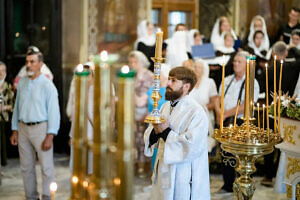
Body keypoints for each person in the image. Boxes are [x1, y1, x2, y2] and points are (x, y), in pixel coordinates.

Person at [144, 66, 210, 200]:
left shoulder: (196, 111)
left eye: (173, 81)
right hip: (163, 169)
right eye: (168, 79)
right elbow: (151, 133)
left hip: (183, 174)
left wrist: (165, 132)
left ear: (186, 86)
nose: (167, 84)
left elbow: (192, 146)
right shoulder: (165, 106)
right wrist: (156, 133)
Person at [10, 50, 60, 200]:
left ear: (41, 64)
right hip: (23, 128)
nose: (28, 65)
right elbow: (17, 107)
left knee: (46, 167)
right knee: (26, 167)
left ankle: (46, 196)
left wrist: (50, 135)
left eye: (32, 62)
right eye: (27, 62)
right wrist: (15, 130)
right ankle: (31, 197)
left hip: (41, 129)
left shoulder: (47, 85)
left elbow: (53, 111)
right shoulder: (23, 83)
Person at [215, 51, 260, 194]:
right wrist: (218, 112)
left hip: (241, 121)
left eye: (239, 62)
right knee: (225, 152)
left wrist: (224, 114)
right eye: (234, 61)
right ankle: (227, 184)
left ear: (246, 64)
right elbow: (218, 98)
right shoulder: (227, 79)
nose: (235, 64)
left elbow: (246, 105)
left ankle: (243, 184)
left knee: (239, 155)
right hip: (224, 119)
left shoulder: (252, 82)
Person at [128, 51, 154, 176]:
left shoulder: (149, 75)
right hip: (131, 110)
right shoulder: (131, 75)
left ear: (141, 62)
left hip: (145, 110)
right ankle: (135, 164)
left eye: (135, 62)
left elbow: (151, 95)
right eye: (131, 62)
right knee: (133, 139)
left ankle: (144, 165)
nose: (133, 64)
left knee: (143, 139)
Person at [188, 59, 218, 153]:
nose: (196, 69)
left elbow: (214, 102)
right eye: (195, 67)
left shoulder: (210, 82)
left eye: (199, 67)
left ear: (204, 69)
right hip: (189, 118)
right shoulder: (189, 82)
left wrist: (200, 109)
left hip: (205, 117)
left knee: (202, 147)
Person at [0, 61, 14, 166]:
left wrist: (4, 107)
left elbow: (13, 105)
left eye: (1, 72)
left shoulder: (8, 87)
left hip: (4, 118)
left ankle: (3, 160)